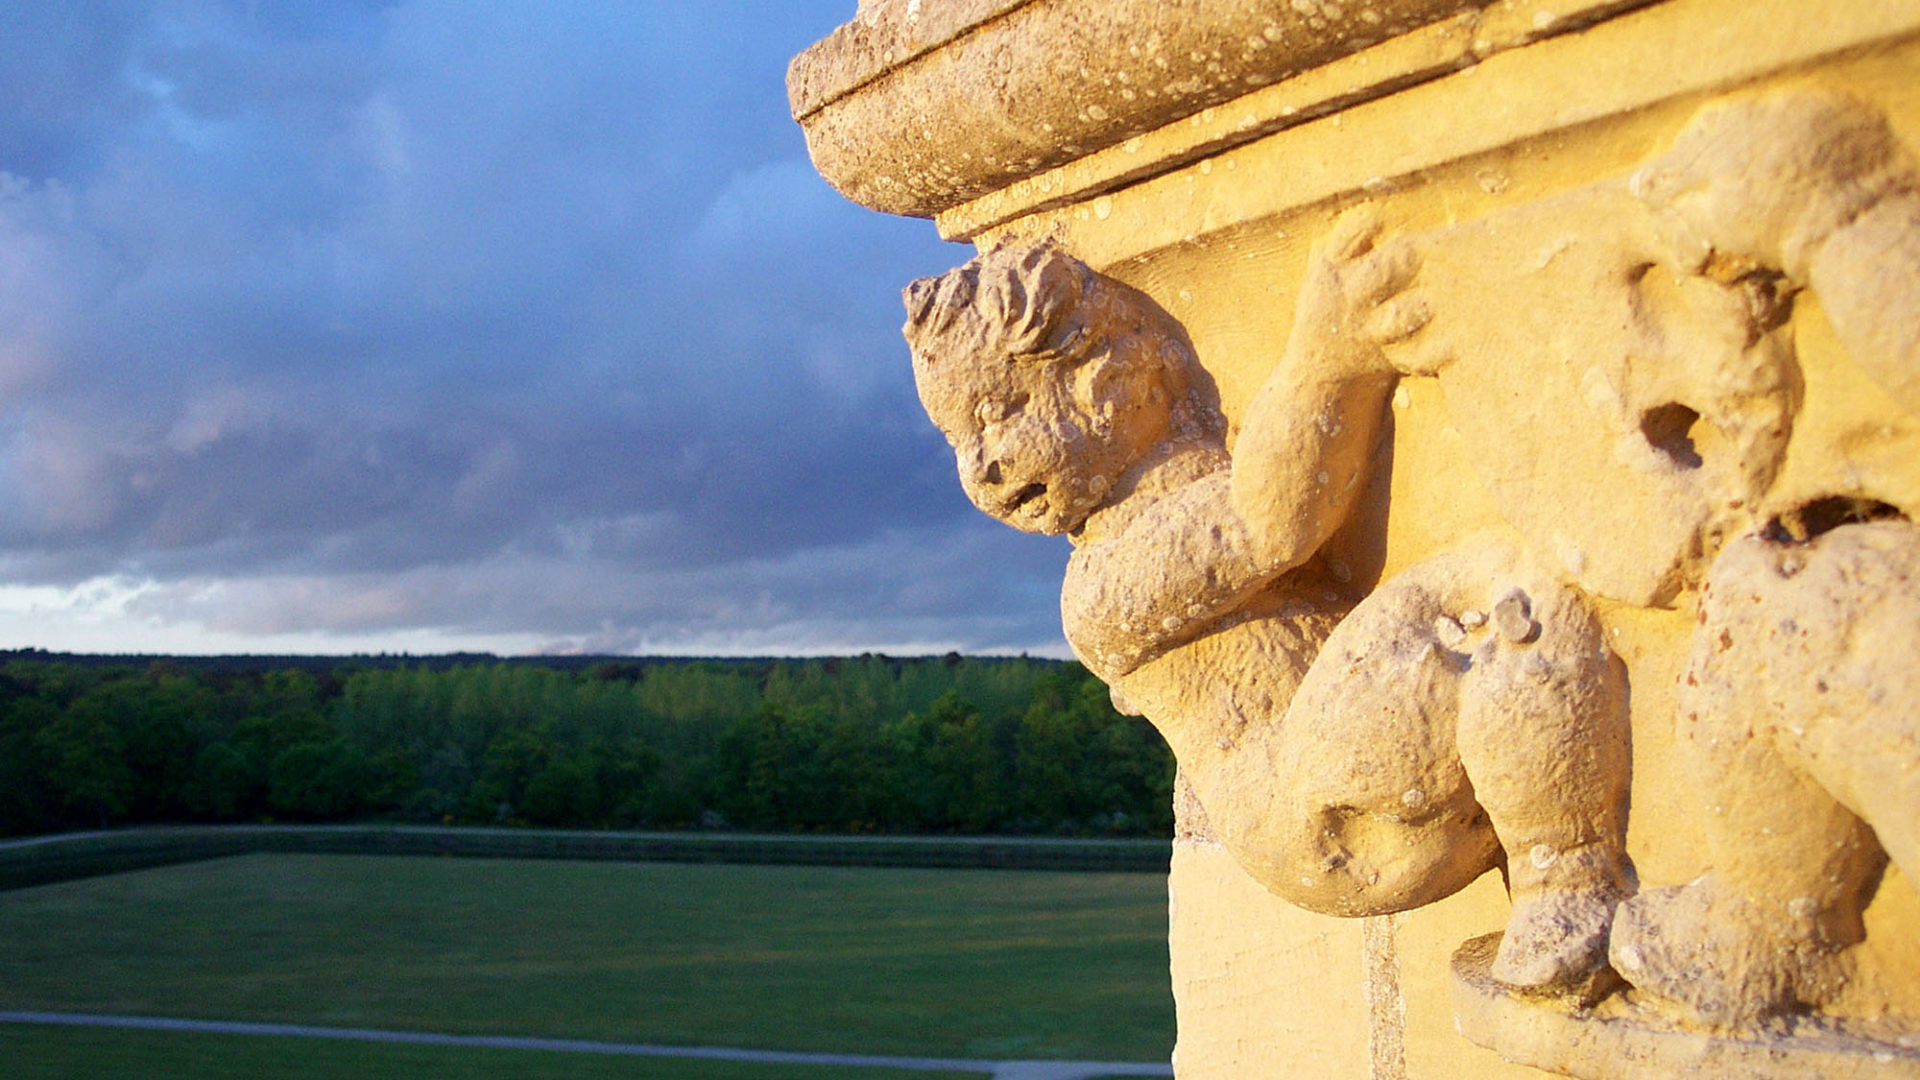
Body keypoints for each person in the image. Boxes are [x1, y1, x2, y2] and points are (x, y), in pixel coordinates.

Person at [903, 242, 1632, 998]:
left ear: (1107, 376)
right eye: (960, 437)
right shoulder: (1099, 587)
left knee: (1508, 598)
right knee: (1501, 583)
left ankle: (1562, 882)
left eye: (1000, 412)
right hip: (1314, 806)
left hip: (1349, 767)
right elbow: (1270, 516)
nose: (980, 465)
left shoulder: (1165, 484)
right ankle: (1565, 885)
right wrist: (1332, 348)